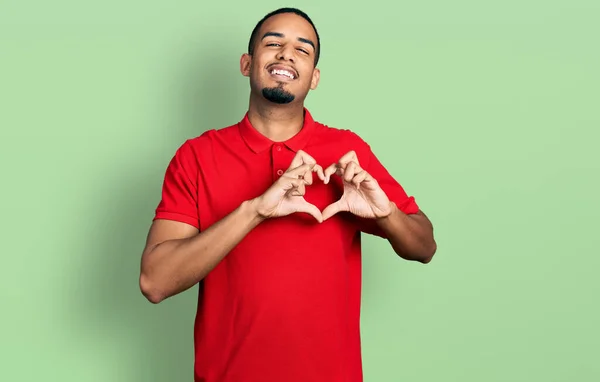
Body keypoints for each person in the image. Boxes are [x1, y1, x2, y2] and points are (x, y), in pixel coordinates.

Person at [139, 7, 436, 382]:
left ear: (314, 78)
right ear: (247, 63)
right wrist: (254, 211)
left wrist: (386, 214)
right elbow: (154, 282)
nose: (286, 54)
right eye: (273, 43)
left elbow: (425, 246)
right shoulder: (197, 156)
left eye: (303, 49)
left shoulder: (346, 151)